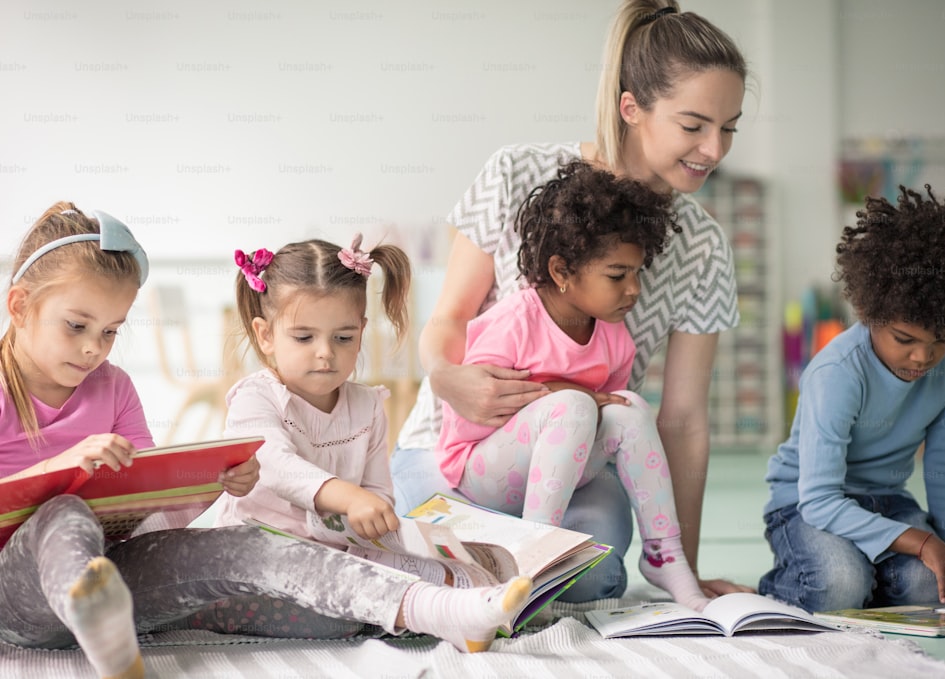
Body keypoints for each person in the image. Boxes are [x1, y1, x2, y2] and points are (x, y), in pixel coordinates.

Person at [0, 206, 529, 679]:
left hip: (120, 579)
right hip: (21, 600)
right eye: (77, 326)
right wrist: (62, 470)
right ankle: (99, 626)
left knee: (249, 546)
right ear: (20, 306)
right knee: (64, 513)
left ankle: (439, 612)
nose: (95, 348)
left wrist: (209, 485)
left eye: (112, 331)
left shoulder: (115, 387)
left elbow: (147, 510)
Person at [392, 0, 753, 600]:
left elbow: (685, 421)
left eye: (730, 127)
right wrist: (446, 377)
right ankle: (481, 556)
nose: (714, 150)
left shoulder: (704, 246)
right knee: (438, 573)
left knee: (596, 581)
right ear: (631, 107)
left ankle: (517, 559)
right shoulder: (515, 174)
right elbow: (448, 320)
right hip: (454, 449)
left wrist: (680, 566)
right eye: (694, 126)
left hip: (575, 465)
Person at [214, 237, 531, 646]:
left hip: (339, 546)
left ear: (362, 331)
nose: (325, 354)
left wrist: (378, 518)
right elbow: (274, 463)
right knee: (336, 603)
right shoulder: (256, 397)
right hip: (262, 554)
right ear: (266, 335)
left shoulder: (367, 405)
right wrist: (349, 499)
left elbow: (377, 491)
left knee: (408, 561)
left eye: (343, 338)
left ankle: (478, 599)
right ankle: (438, 612)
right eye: (304, 338)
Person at [436, 160, 708, 610]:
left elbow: (608, 419)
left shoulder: (615, 338)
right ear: (562, 272)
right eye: (617, 275)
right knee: (576, 407)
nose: (634, 290)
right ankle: (534, 557)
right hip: (479, 468)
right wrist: (574, 395)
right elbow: (482, 407)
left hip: (556, 471)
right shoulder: (513, 323)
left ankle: (666, 553)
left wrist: (595, 407)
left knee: (631, 407)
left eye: (638, 273)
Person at [758, 185, 945, 613]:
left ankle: (871, 574)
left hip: (887, 500)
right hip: (805, 505)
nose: (923, 357)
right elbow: (819, 500)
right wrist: (923, 541)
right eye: (905, 339)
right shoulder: (837, 372)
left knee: (930, 593)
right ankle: (784, 583)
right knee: (838, 586)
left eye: (939, 340)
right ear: (871, 315)